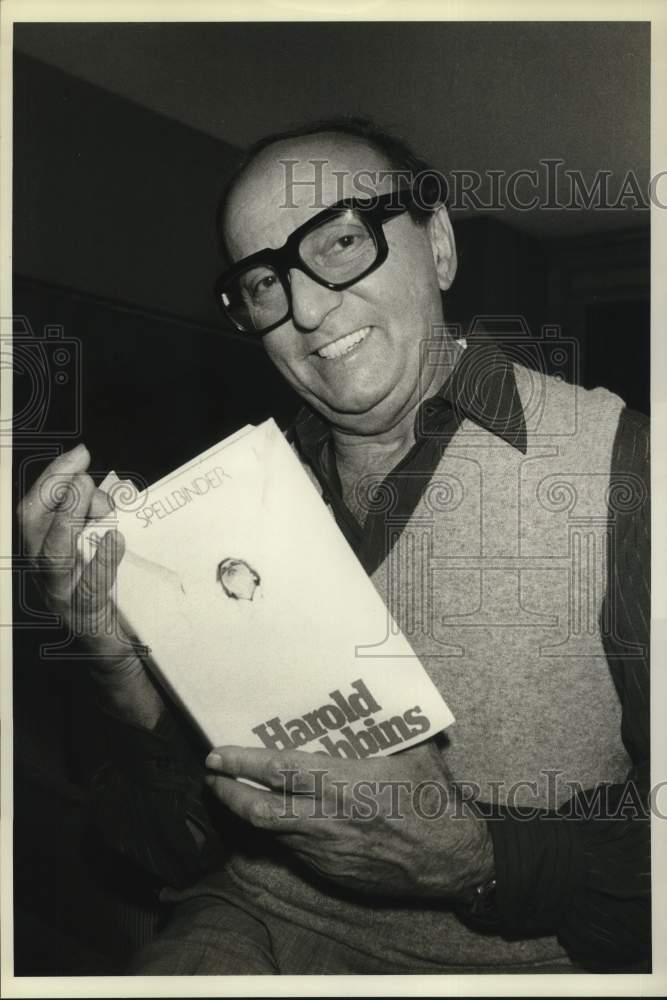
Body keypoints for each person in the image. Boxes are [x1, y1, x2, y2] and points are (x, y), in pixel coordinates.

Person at [17, 117, 650, 975]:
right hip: (245, 928)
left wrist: (475, 856)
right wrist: (114, 668)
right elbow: (169, 849)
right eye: (263, 282)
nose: (306, 309)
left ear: (438, 245)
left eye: (342, 240)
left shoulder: (626, 471)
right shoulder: (224, 504)